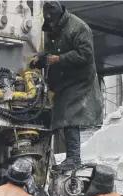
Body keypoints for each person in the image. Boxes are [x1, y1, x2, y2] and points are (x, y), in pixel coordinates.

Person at [29, 0, 103, 171]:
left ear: (59, 16)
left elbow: (85, 54)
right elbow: (50, 51)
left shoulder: (79, 28)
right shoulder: (52, 29)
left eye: (53, 21)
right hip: (64, 79)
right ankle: (55, 156)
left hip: (80, 80)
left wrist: (59, 59)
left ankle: (74, 158)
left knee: (70, 116)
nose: (51, 25)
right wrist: (39, 58)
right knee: (58, 116)